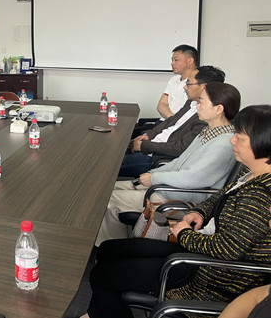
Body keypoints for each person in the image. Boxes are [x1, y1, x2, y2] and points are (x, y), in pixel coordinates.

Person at [81, 104, 271, 318]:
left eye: (240, 138)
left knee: (103, 275)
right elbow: (218, 197)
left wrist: (183, 234)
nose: (231, 141)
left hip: (208, 273)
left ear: (263, 144)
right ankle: (101, 311)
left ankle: (101, 312)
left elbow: (227, 249)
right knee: (108, 250)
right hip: (198, 251)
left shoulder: (260, 195)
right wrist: (200, 213)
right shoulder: (251, 173)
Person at [96, 82, 240, 245]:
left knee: (108, 200)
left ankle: (108, 248)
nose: (197, 106)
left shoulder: (224, 143)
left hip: (184, 198)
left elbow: (193, 178)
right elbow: (179, 162)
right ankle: (118, 242)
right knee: (107, 190)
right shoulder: (208, 131)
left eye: (201, 101)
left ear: (218, 109)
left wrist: (154, 179)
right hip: (172, 187)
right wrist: (153, 174)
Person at [119, 65, 226, 177]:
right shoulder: (191, 102)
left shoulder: (207, 115)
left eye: (189, 83)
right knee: (115, 151)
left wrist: (144, 146)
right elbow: (172, 120)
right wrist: (148, 135)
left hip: (157, 157)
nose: (185, 87)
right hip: (151, 145)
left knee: (110, 165)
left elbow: (181, 148)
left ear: (204, 87)